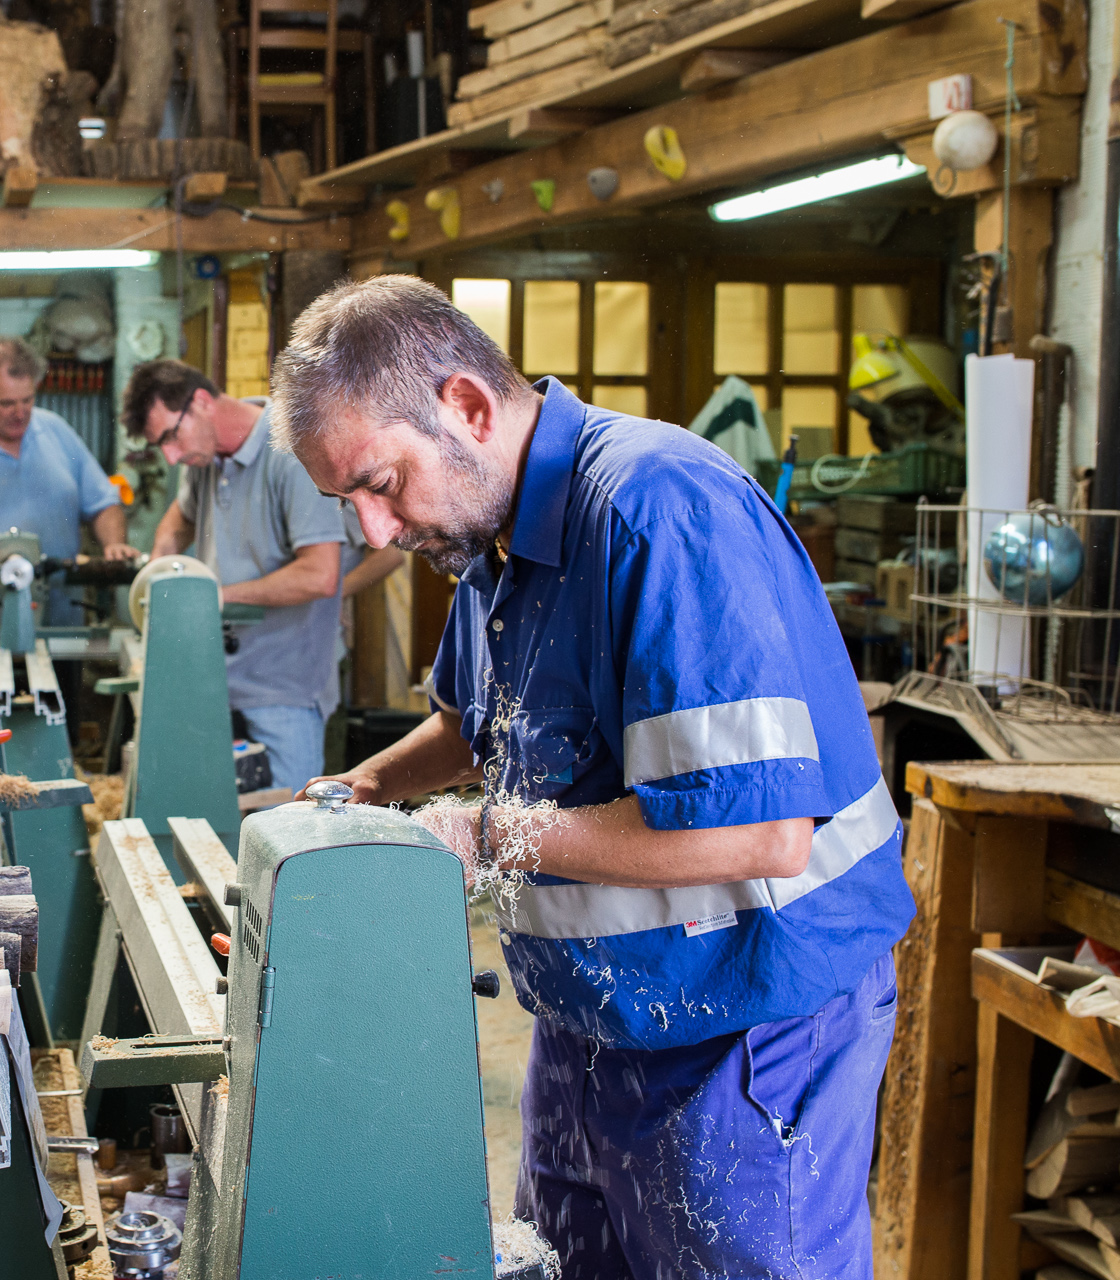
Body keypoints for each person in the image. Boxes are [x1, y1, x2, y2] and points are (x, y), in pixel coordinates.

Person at [275, 275, 913, 1277]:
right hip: (593, 1016)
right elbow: (476, 723)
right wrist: (368, 786)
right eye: (345, 500)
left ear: (466, 407)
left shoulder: (660, 512)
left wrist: (482, 833)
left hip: (742, 1020)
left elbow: (758, 834)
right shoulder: (491, 530)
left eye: (380, 482)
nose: (374, 531)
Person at [122, 358, 345, 794]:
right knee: (213, 819)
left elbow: (320, 574)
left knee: (283, 825)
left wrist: (211, 596)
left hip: (282, 690)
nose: (171, 456)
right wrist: (160, 568)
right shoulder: (204, 459)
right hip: (218, 681)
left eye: (170, 437)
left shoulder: (292, 451)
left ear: (201, 402)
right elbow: (178, 520)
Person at [0, 337, 138, 623]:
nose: (20, 413)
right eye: (6, 403)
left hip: (62, 619)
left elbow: (103, 502)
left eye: (28, 400)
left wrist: (114, 545)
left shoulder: (55, 430)